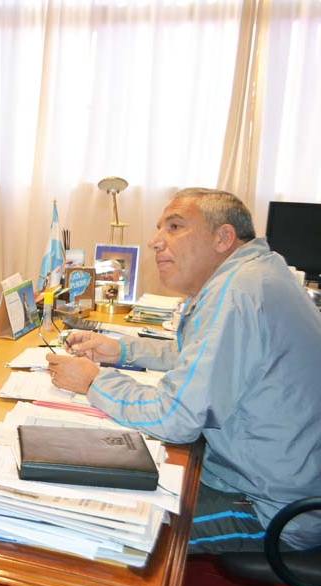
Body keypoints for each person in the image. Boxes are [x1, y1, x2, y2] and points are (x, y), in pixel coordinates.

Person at [46, 188, 321, 553]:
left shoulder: (237, 291)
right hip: (269, 477)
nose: (155, 241)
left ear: (223, 237)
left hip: (273, 511)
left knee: (106, 530)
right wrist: (122, 349)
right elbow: (201, 354)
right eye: (160, 228)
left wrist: (94, 381)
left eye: (174, 227)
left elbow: (174, 417)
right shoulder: (256, 272)